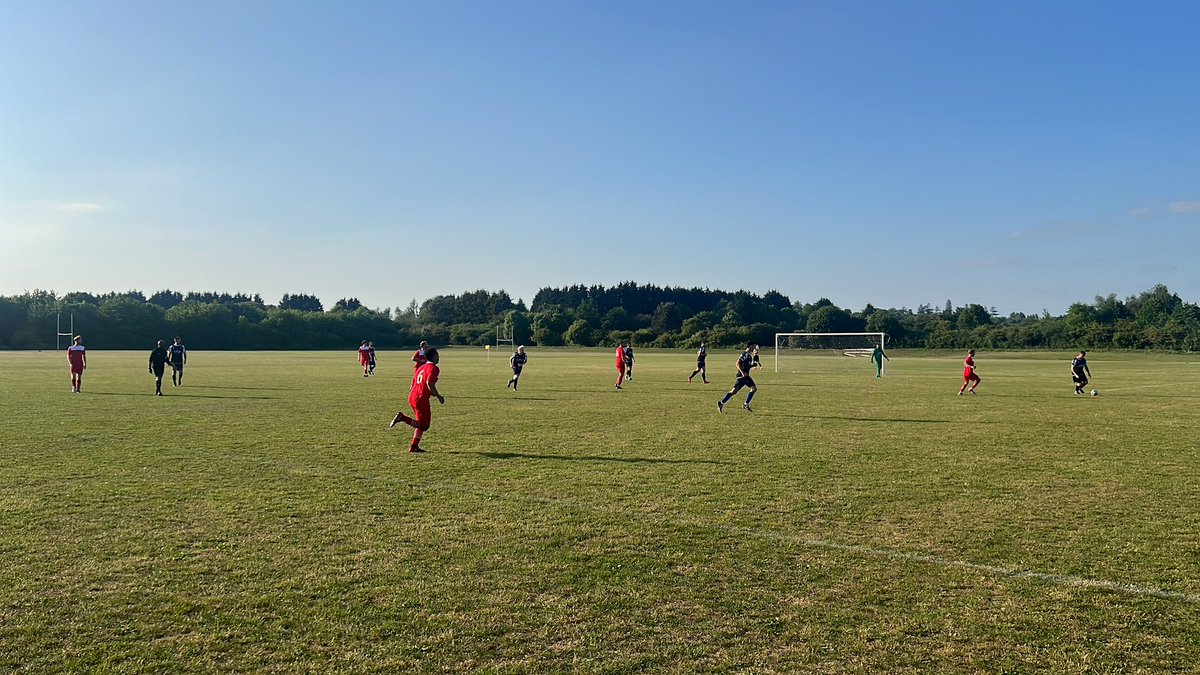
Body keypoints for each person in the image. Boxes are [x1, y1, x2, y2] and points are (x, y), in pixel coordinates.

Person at [389, 347, 445, 453]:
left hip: (413, 396)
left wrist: (430, 392)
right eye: (437, 355)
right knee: (424, 425)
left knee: (420, 423)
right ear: (433, 356)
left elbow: (414, 384)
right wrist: (438, 396)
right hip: (420, 399)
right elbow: (429, 383)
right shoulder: (433, 368)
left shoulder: (421, 368)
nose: (439, 357)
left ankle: (414, 447)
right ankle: (402, 418)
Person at [718, 342, 758, 413]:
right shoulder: (744, 354)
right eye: (754, 347)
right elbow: (737, 363)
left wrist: (752, 365)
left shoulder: (749, 355)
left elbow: (746, 365)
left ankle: (722, 403)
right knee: (736, 391)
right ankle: (745, 404)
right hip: (742, 376)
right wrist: (742, 372)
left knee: (736, 391)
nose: (754, 348)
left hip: (745, 376)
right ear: (750, 346)